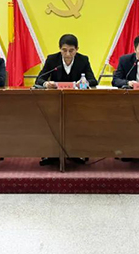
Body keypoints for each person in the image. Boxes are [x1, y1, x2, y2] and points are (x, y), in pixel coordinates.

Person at [36, 34, 96, 166]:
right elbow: (39, 79)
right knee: (52, 122)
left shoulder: (83, 60)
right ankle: (51, 153)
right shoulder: (52, 59)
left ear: (77, 49)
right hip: (55, 101)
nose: (67, 54)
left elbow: (93, 80)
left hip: (76, 102)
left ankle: (76, 152)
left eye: (71, 50)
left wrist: (84, 82)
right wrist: (46, 84)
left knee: (77, 123)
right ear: (59, 49)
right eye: (64, 50)